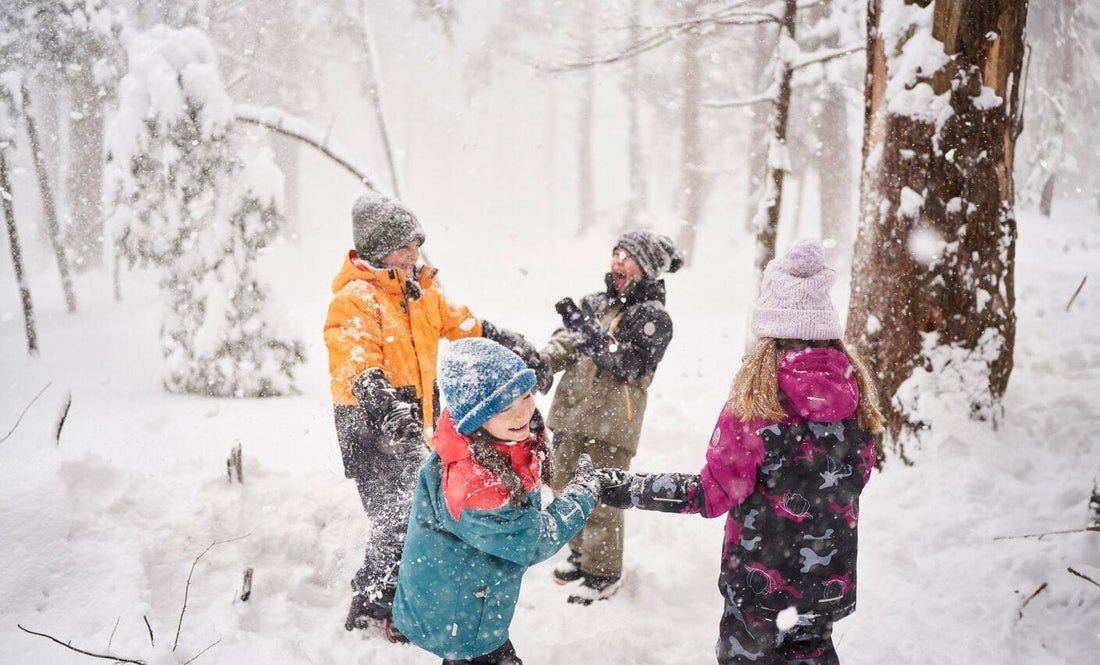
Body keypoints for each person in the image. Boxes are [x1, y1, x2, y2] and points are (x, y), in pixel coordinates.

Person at [601, 239, 885, 664]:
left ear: (768, 332)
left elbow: (710, 494)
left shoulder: (757, 407)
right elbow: (855, 479)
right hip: (827, 586)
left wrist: (628, 488)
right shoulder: (859, 403)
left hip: (760, 592)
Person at [323, 193, 551, 637]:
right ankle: (373, 605)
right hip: (369, 426)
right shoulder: (354, 300)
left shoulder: (419, 295)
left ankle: (400, 598)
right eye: (404, 246)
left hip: (412, 421)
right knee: (397, 520)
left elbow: (460, 323)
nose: (413, 254)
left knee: (418, 514)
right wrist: (387, 407)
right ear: (377, 249)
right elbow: (354, 361)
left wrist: (507, 341)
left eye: (415, 244)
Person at [392, 337, 608, 664]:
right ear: (476, 417)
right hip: (461, 617)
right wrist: (580, 497)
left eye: (525, 396)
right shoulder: (476, 487)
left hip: (460, 600)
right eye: (504, 407)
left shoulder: (479, 436)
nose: (524, 411)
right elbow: (533, 539)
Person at [539, 230, 683, 604]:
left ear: (647, 268)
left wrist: (588, 331)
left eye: (628, 255)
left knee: (600, 497)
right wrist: (541, 363)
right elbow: (565, 342)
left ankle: (602, 572)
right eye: (615, 252)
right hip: (571, 413)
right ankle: (579, 553)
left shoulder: (653, 317)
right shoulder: (596, 302)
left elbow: (628, 363)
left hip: (611, 423)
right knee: (563, 487)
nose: (617, 261)